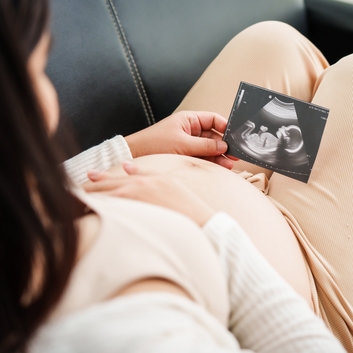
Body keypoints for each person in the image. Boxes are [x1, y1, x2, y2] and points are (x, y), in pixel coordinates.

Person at [0, 1, 349, 353]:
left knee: (273, 44)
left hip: (217, 185)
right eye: (41, 70)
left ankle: (286, 170)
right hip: (297, 286)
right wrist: (213, 228)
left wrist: (130, 148)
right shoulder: (124, 337)